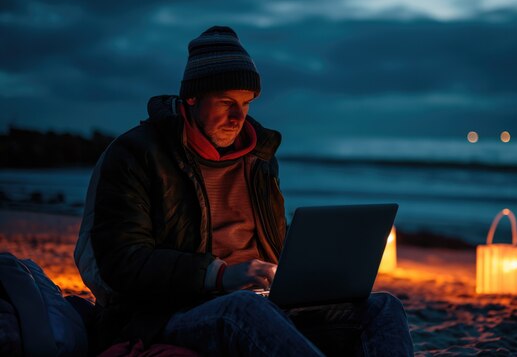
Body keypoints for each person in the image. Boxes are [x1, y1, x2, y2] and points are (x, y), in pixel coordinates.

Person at [74, 26, 413, 356]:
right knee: (242, 309)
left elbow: (274, 245)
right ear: (192, 97)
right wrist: (218, 275)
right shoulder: (136, 154)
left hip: (264, 301)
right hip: (169, 312)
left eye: (246, 103)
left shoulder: (260, 160)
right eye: (225, 102)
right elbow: (121, 263)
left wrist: (309, 276)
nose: (238, 117)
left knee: (383, 307)